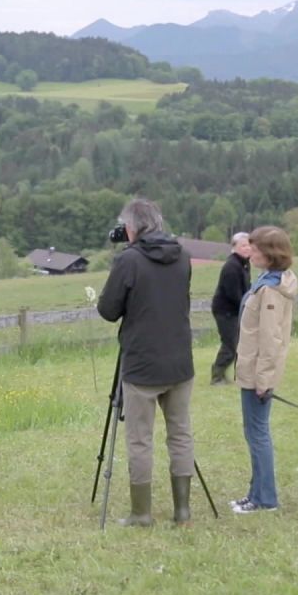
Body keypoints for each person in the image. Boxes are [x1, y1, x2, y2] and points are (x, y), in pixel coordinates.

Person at [97, 198, 196, 527]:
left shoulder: (129, 261)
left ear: (131, 227)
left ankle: (142, 513)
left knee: (140, 438)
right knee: (180, 434)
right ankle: (182, 511)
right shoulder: (182, 255)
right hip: (180, 360)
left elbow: (109, 311)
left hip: (143, 363)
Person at [230, 225, 297, 515]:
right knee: (253, 433)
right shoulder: (267, 281)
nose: (251, 252)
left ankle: (265, 498)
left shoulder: (270, 289)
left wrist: (264, 379)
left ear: (270, 254)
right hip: (251, 369)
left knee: (258, 434)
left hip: (258, 373)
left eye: (255, 249)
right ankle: (255, 492)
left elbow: (271, 339)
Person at [210, 232, 252, 385]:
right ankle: (217, 376)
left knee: (234, 344)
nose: (247, 248)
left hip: (234, 310)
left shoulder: (244, 264)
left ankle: (221, 374)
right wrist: (248, 305)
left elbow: (246, 287)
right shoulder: (232, 266)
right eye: (243, 245)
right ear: (234, 248)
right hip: (225, 311)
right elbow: (233, 294)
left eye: (249, 245)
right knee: (230, 345)